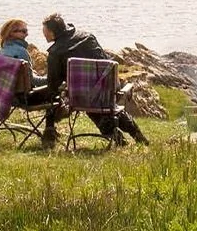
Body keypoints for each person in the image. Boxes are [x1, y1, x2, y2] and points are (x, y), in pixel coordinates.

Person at [30, 12, 148, 148]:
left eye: (44, 31)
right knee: (105, 106)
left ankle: (50, 134)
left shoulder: (55, 53)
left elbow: (53, 84)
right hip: (106, 89)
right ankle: (137, 137)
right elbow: (105, 61)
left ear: (52, 32)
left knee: (78, 100)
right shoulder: (88, 38)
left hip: (81, 97)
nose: (43, 34)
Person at [0, 18, 47, 89]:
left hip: (4, 92)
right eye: (24, 31)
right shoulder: (21, 52)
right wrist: (52, 79)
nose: (27, 34)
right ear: (11, 33)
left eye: (26, 31)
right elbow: (33, 81)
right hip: (22, 96)